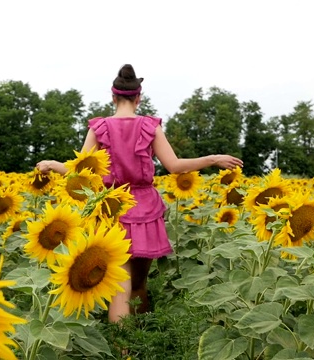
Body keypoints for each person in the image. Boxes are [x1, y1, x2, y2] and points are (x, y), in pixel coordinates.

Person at [36, 64, 243, 323]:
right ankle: (142, 340)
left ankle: (125, 346)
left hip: (111, 209)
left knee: (119, 287)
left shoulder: (98, 127)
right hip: (145, 209)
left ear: (113, 97)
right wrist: (213, 158)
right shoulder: (149, 126)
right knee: (139, 284)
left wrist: (53, 165)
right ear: (138, 98)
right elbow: (175, 166)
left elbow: (79, 170)